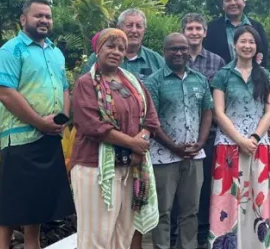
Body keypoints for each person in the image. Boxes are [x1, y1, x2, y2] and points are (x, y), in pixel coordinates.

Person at [0, 0, 76, 249]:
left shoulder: (55, 52)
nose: (44, 20)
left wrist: (62, 119)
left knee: (37, 202)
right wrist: (39, 122)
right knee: (9, 202)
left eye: (48, 16)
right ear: (23, 19)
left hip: (49, 136)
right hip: (19, 139)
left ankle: (32, 245)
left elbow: (64, 88)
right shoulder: (11, 50)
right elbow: (5, 92)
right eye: (38, 15)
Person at [70, 28, 162, 248]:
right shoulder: (86, 83)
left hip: (129, 166)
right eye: (110, 46)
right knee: (97, 235)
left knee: (123, 232)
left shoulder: (132, 82)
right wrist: (133, 143)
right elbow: (92, 125)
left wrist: (143, 137)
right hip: (94, 167)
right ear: (98, 50)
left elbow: (151, 117)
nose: (116, 52)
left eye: (121, 48)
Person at [144, 33, 214, 249]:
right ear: (164, 52)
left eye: (183, 48)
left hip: (194, 156)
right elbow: (151, 120)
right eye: (173, 49)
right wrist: (173, 147)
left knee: (190, 211)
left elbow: (207, 112)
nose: (179, 53)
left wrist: (201, 143)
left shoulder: (200, 80)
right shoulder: (154, 81)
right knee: (163, 211)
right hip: (164, 157)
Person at [209, 26, 270, 249]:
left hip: (259, 146)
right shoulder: (223, 75)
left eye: (251, 42)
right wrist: (240, 140)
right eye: (243, 41)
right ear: (234, 45)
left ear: (256, 47)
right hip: (228, 146)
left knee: (258, 199)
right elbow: (219, 112)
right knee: (227, 200)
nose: (247, 46)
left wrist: (255, 137)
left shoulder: (265, 75)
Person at [180, 13, 225, 248]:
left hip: (208, 135)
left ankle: (203, 235)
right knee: (182, 189)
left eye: (198, 28)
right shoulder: (175, 57)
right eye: (190, 28)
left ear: (205, 33)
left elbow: (219, 102)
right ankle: (180, 236)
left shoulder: (217, 62)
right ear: (183, 32)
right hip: (178, 136)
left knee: (206, 187)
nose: (194, 32)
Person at [82, 9, 165, 81]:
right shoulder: (99, 57)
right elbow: (83, 88)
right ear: (119, 28)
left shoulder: (156, 60)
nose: (134, 30)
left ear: (144, 30)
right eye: (129, 25)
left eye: (139, 26)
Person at [203, 0, 269, 67]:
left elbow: (264, 56)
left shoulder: (257, 27)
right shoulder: (212, 28)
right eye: (228, 0)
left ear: (244, 2)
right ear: (222, 6)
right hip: (221, 77)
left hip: (252, 77)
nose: (233, 3)